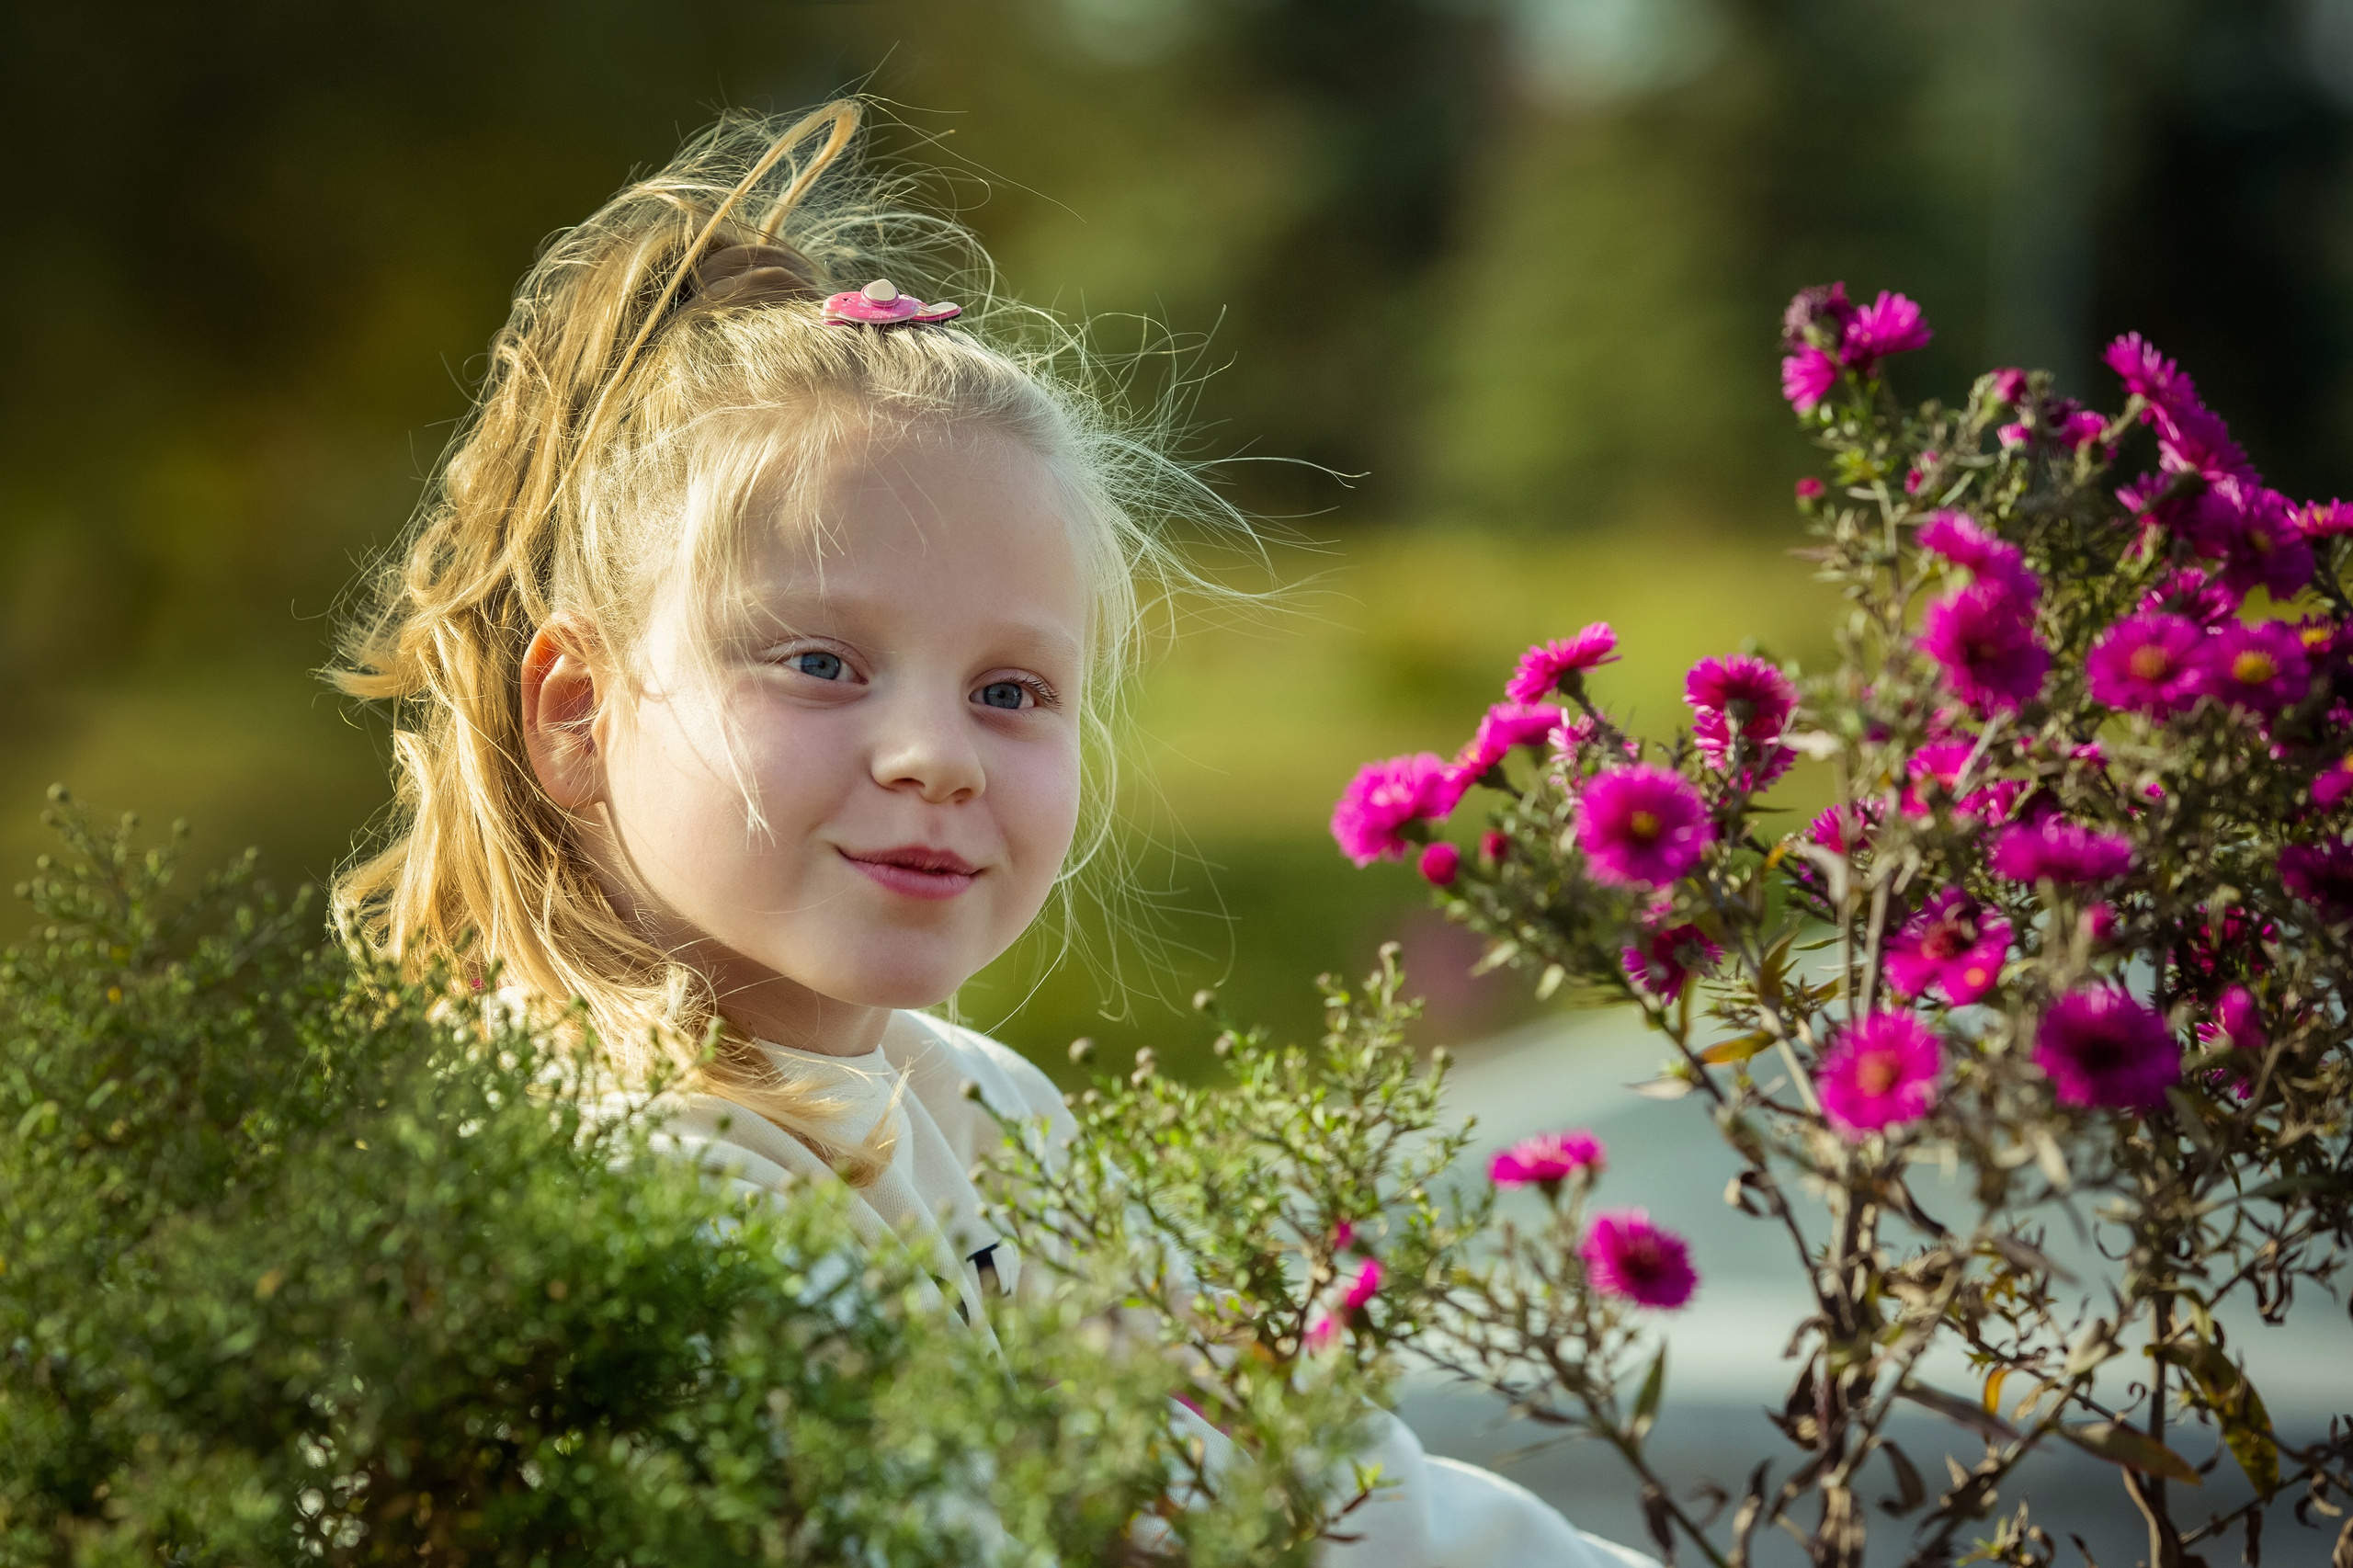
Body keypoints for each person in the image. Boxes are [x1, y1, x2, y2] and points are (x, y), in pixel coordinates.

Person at [332, 99, 1654, 1567]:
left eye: (1010, 691)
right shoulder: (628, 1188)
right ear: (579, 710)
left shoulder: (977, 1108)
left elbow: (1315, 1486)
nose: (939, 755)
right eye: (822, 662)